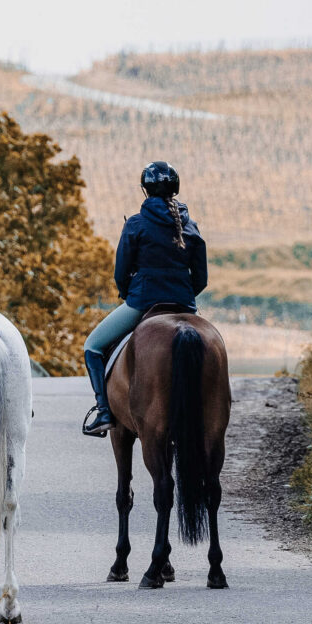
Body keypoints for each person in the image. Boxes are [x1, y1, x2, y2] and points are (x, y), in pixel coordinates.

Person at [81, 159, 207, 436]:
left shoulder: (136, 224)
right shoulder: (191, 227)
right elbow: (201, 279)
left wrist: (131, 295)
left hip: (143, 302)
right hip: (185, 304)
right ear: (175, 189)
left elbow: (121, 273)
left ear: (145, 190)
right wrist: (182, 296)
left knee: (93, 346)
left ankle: (103, 412)